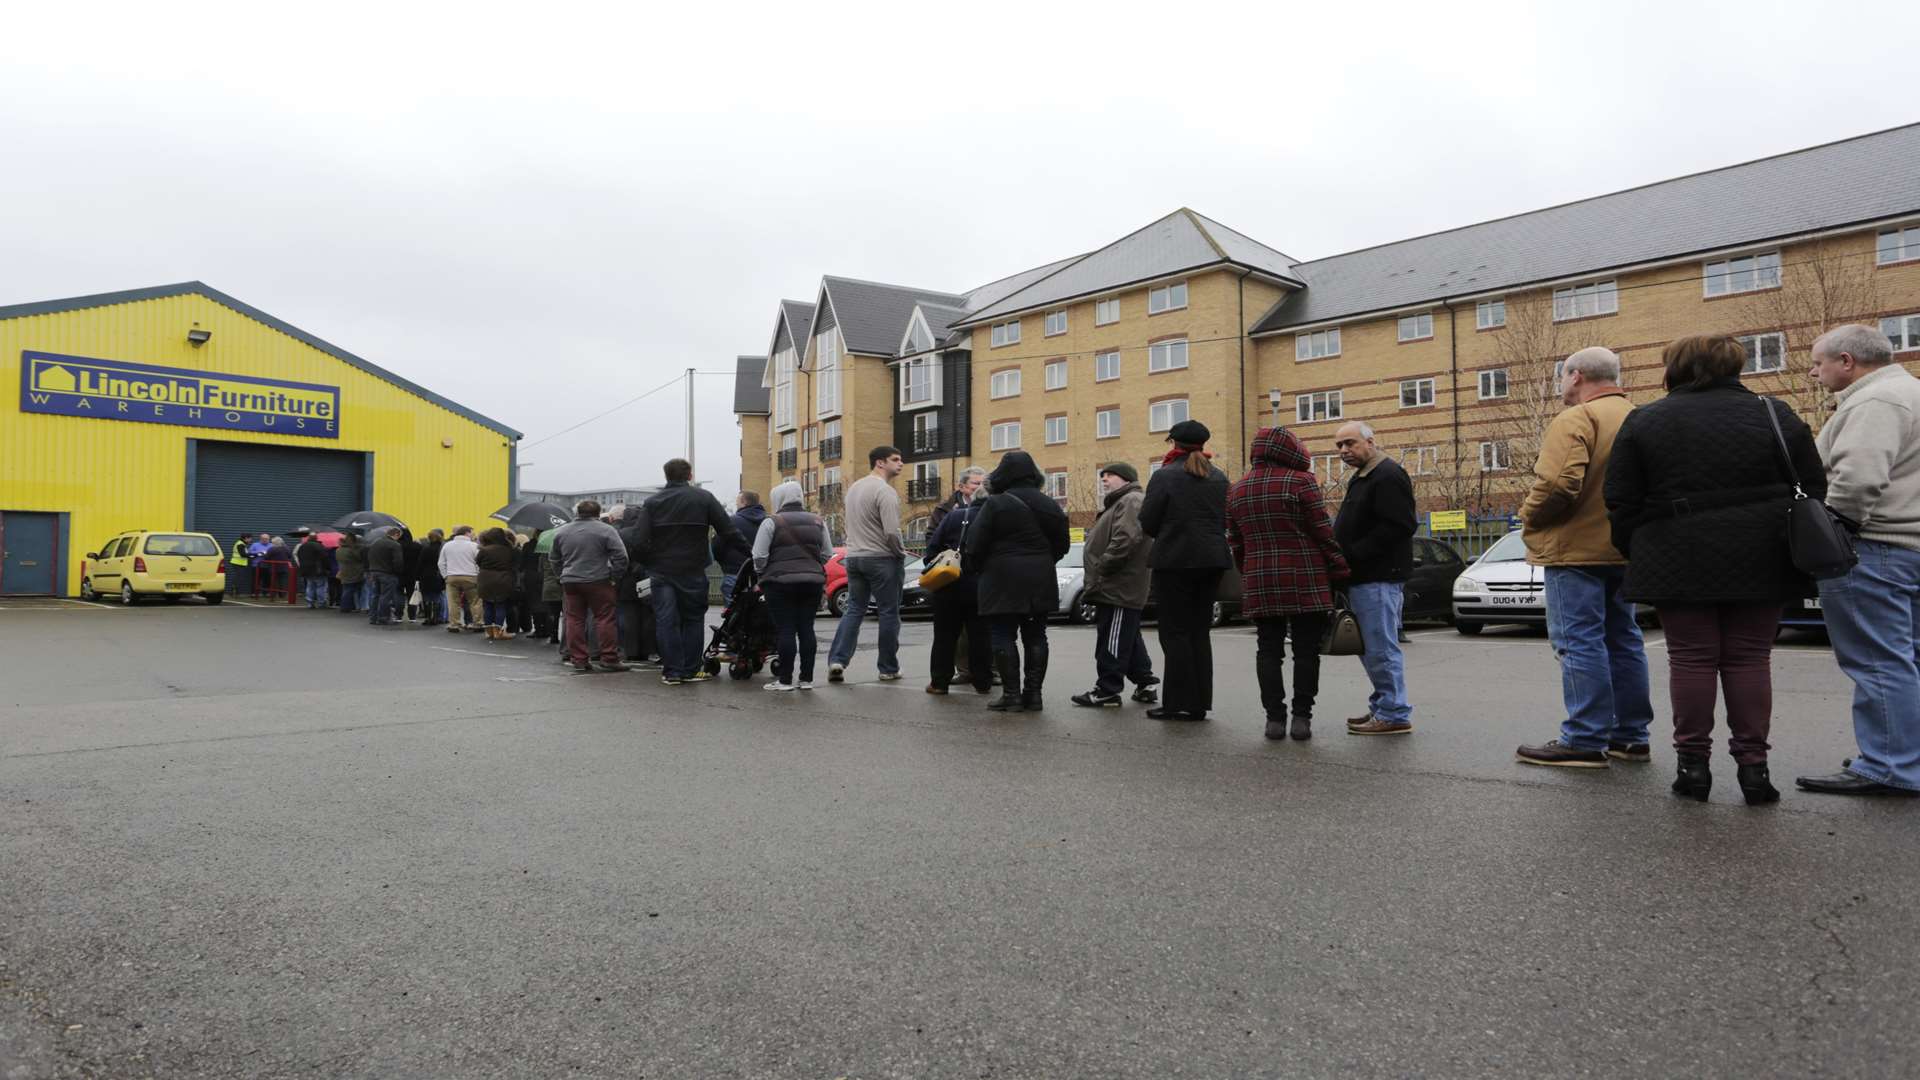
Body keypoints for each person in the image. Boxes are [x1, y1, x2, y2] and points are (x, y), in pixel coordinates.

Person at [1605, 334, 1825, 805]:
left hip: (1676, 550)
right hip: (1763, 551)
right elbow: (1813, 484)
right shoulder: (1774, 412)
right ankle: (1754, 771)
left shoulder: (1645, 419)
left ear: (1675, 368)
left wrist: (1638, 545)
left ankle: (1693, 768)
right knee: (1750, 658)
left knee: (1691, 658)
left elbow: (1621, 499)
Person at [1513, 347, 1655, 768]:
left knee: (1578, 641)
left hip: (1573, 549)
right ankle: (1630, 736)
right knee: (1624, 640)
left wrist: (1528, 516)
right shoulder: (1640, 417)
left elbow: (1558, 484)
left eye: (1562, 378)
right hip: (1624, 549)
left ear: (1575, 377)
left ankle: (1584, 738)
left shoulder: (1577, 418)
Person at [1797, 325, 1920, 798]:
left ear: (1847, 361)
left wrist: (1833, 534)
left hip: (1874, 547)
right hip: (1909, 544)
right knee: (1906, 659)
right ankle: (1904, 754)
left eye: (1818, 362)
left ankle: (1889, 764)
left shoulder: (1876, 402)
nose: (1813, 371)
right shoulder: (1909, 392)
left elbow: (1858, 478)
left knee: (1877, 661)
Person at [1226, 427, 1349, 740]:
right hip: (1304, 576)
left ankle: (1274, 720)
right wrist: (1339, 570)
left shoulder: (1237, 490)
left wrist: (1249, 570)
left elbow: (1236, 542)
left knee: (1268, 650)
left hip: (1260, 579)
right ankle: (1301, 718)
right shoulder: (1302, 482)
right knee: (1306, 652)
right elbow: (1322, 531)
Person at [1140, 419, 1232, 722]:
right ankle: (1198, 703)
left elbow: (1148, 521)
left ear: (1173, 444)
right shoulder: (1218, 477)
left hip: (1174, 561)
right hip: (1213, 561)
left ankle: (1176, 702)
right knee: (1198, 632)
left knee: (1175, 633)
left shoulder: (1164, 476)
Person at [965, 450, 1071, 711]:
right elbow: (1063, 545)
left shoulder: (996, 503)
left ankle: (1011, 695)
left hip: (1001, 576)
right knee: (1036, 636)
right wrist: (1042, 561)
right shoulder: (1050, 505)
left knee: (1002, 634)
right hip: (1039, 576)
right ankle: (1033, 695)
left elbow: (974, 545)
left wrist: (983, 568)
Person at [1330, 421, 1418, 736]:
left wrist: (1352, 553)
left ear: (1370, 441)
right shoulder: (1366, 476)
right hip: (1365, 576)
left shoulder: (1387, 474)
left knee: (1380, 648)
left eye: (1350, 443)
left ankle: (1394, 713)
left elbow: (1401, 525)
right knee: (1371, 649)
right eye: (1339, 446)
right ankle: (1383, 706)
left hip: (1378, 577)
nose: (1343, 451)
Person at [633, 459, 736, 685]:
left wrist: (651, 562)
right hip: (693, 570)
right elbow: (728, 532)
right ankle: (691, 670)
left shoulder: (652, 502)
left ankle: (672, 671)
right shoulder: (704, 498)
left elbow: (638, 542)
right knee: (693, 620)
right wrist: (749, 553)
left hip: (662, 571)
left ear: (666, 476)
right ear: (690, 476)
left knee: (666, 621)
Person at [1071, 463, 1161, 709]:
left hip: (1119, 583)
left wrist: (1103, 568)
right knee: (1126, 637)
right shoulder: (1119, 502)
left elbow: (1126, 539)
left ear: (1126, 478)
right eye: (1102, 475)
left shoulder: (1131, 500)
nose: (1104, 479)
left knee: (1112, 638)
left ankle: (1107, 690)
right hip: (1116, 584)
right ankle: (1146, 683)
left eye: (1109, 475)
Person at [827, 446, 908, 683]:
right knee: (888, 612)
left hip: (853, 557)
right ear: (880, 463)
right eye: (896, 459)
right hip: (881, 558)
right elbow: (892, 531)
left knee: (854, 610)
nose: (901, 463)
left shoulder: (854, 489)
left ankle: (837, 660)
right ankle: (888, 668)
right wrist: (899, 553)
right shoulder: (885, 491)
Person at [751, 480, 833, 691]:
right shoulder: (818, 521)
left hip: (779, 583)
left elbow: (759, 555)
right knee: (806, 628)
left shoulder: (772, 522)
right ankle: (806, 679)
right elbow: (827, 554)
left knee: (786, 629)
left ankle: (785, 680)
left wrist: (764, 571)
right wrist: (810, 567)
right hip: (812, 582)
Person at [923, 476, 992, 696]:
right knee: (980, 636)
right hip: (981, 586)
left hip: (949, 585)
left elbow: (931, 551)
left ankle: (939, 682)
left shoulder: (954, 516)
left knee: (944, 637)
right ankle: (982, 682)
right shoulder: (994, 519)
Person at [549, 499, 630, 673]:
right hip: (598, 579)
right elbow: (621, 556)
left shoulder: (562, 531)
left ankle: (579, 659)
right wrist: (615, 576)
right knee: (605, 618)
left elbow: (554, 558)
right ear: (598, 512)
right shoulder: (606, 530)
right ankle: (609, 658)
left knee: (574, 619)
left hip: (570, 581)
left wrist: (561, 574)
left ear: (577, 512)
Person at [718, 491, 766, 605]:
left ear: (743, 502)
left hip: (734, 572)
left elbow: (717, 546)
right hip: (762, 576)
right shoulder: (769, 522)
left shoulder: (731, 521)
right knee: (759, 614)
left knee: (733, 615)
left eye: (737, 503)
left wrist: (725, 564)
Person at [475, 527, 519, 640]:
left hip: (485, 580)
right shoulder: (510, 549)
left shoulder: (484, 549)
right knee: (500, 605)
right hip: (504, 579)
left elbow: (477, 561)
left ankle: (488, 632)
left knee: (487, 605)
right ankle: (498, 632)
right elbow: (514, 565)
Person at [438, 525, 483, 633]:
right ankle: (478, 623)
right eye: (472, 532)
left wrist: (445, 576)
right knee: (475, 601)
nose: (473, 535)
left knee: (453, 602)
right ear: (467, 533)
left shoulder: (447, 546)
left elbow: (441, 563)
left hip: (452, 577)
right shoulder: (474, 546)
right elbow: (479, 562)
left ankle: (454, 624)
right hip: (471, 577)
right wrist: (477, 574)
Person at [365, 527, 403, 626]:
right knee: (385, 596)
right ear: (396, 534)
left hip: (374, 572)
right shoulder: (395, 545)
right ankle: (383, 617)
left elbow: (369, 557)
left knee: (375, 595)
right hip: (388, 574)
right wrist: (397, 572)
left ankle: (373, 618)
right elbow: (398, 562)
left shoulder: (375, 543)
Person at [417, 529, 447, 626]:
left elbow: (420, 563)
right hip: (438, 575)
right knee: (437, 597)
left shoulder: (425, 548)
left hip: (426, 576)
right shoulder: (442, 548)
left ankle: (428, 618)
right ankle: (436, 618)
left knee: (426, 598)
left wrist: (418, 576)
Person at [294, 532, 329, 609]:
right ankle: (321, 603)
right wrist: (327, 568)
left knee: (310, 586)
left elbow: (299, 557)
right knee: (321, 586)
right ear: (316, 538)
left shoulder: (302, 546)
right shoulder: (319, 546)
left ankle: (310, 603)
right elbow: (325, 558)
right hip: (318, 570)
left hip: (306, 570)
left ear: (308, 538)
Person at [335, 533, 367, 613]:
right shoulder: (351, 550)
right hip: (354, 572)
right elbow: (359, 559)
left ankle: (349, 606)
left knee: (347, 590)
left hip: (344, 571)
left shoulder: (338, 550)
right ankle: (348, 607)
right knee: (353, 590)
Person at [397, 528, 423, 622]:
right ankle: (412, 616)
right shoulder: (417, 546)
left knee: (398, 593)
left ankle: (398, 615)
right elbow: (421, 561)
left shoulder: (397, 545)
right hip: (413, 574)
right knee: (412, 594)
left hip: (399, 573)